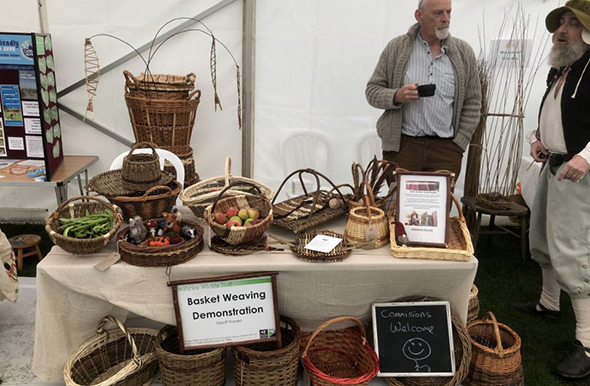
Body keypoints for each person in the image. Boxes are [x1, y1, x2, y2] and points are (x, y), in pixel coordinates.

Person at [512, 0, 590, 379]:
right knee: (541, 237)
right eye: (561, 22)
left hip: (578, 175)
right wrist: (538, 139)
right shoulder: (563, 69)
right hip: (553, 165)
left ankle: (588, 343)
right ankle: (548, 302)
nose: (562, 30)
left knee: (574, 251)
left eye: (573, 23)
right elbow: (554, 116)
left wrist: (587, 156)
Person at [365, 0, 481, 179]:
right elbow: (372, 91)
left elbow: (473, 102)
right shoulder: (397, 48)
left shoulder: (463, 52)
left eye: (448, 12)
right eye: (438, 13)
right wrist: (396, 96)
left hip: (446, 151)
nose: (446, 19)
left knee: (438, 207)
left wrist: (458, 144)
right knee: (397, 204)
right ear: (419, 16)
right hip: (403, 147)